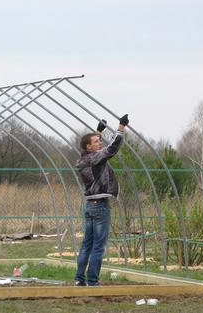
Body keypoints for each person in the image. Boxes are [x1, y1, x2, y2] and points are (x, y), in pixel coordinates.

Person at [74, 114, 129, 286]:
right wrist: (121, 128)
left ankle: (79, 279)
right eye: (97, 141)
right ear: (90, 147)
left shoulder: (83, 159)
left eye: (100, 140)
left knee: (86, 245)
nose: (100, 142)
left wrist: (98, 131)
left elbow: (88, 148)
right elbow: (112, 148)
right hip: (100, 207)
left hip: (90, 206)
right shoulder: (96, 157)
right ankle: (92, 281)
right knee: (98, 246)